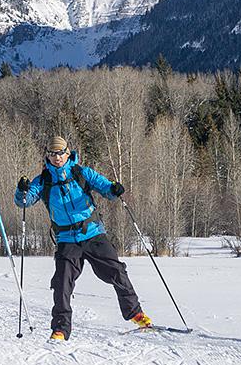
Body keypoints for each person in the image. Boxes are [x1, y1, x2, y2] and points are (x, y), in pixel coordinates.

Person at [14, 135, 151, 341]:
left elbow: (105, 186)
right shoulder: (43, 181)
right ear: (48, 156)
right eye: (52, 153)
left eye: (60, 153)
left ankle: (134, 313)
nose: (57, 157)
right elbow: (24, 201)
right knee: (62, 283)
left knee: (116, 270)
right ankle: (60, 329)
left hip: (93, 232)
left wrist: (115, 189)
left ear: (67, 153)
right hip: (67, 238)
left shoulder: (81, 173)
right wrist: (21, 190)